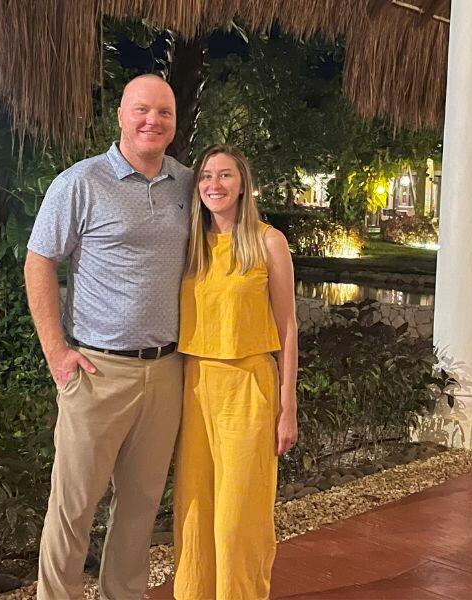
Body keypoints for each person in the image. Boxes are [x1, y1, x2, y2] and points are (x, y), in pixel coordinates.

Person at [24, 74, 193, 600]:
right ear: (120, 114)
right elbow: (39, 261)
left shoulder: (189, 185)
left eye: (163, 113)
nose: (153, 121)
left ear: (173, 121)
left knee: (142, 505)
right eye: (142, 110)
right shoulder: (80, 182)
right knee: (74, 507)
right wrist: (57, 352)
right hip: (97, 372)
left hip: (166, 369)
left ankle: (124, 594)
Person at [172, 145, 299, 600]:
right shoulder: (191, 245)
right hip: (195, 385)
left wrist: (288, 405)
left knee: (239, 517)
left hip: (248, 387)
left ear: (242, 183)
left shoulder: (268, 241)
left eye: (225, 175)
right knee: (194, 510)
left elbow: (286, 325)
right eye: (206, 176)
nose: (214, 185)